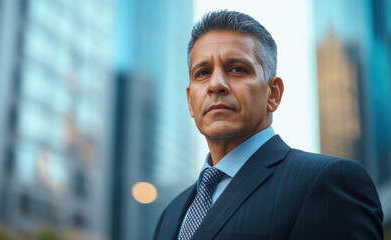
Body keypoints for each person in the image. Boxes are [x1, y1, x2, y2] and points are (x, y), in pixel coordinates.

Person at [153, 10, 383, 240]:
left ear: (273, 93)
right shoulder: (171, 214)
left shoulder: (327, 182)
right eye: (203, 73)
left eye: (237, 69)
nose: (216, 84)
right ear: (190, 101)